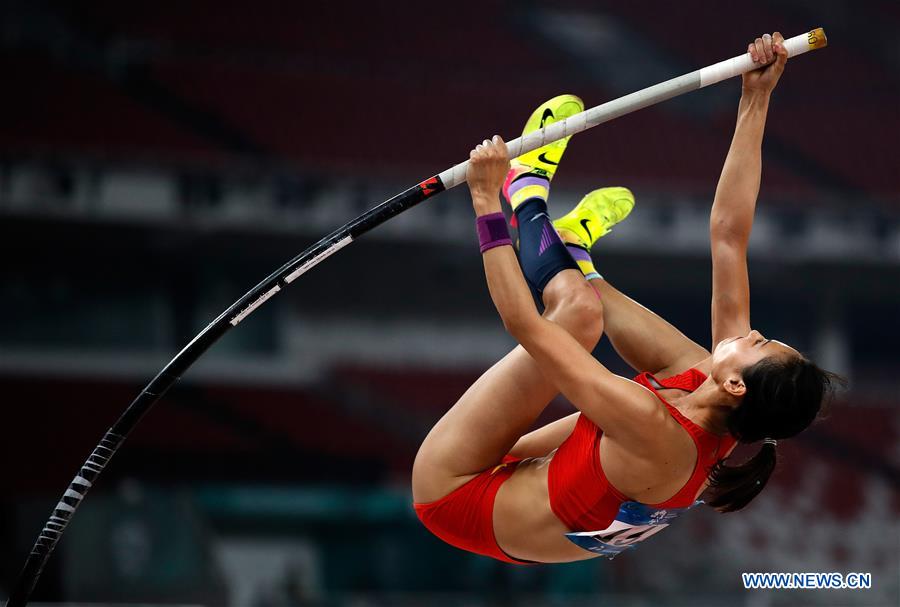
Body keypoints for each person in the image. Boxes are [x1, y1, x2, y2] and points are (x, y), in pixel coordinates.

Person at [411, 33, 841, 564]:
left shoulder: (655, 428)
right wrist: (756, 99)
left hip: (459, 495)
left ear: (736, 384)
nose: (751, 333)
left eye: (760, 344)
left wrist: (484, 201)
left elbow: (524, 322)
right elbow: (729, 236)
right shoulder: (725, 402)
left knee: (575, 317)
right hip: (544, 477)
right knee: (662, 353)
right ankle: (575, 253)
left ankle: (524, 191)